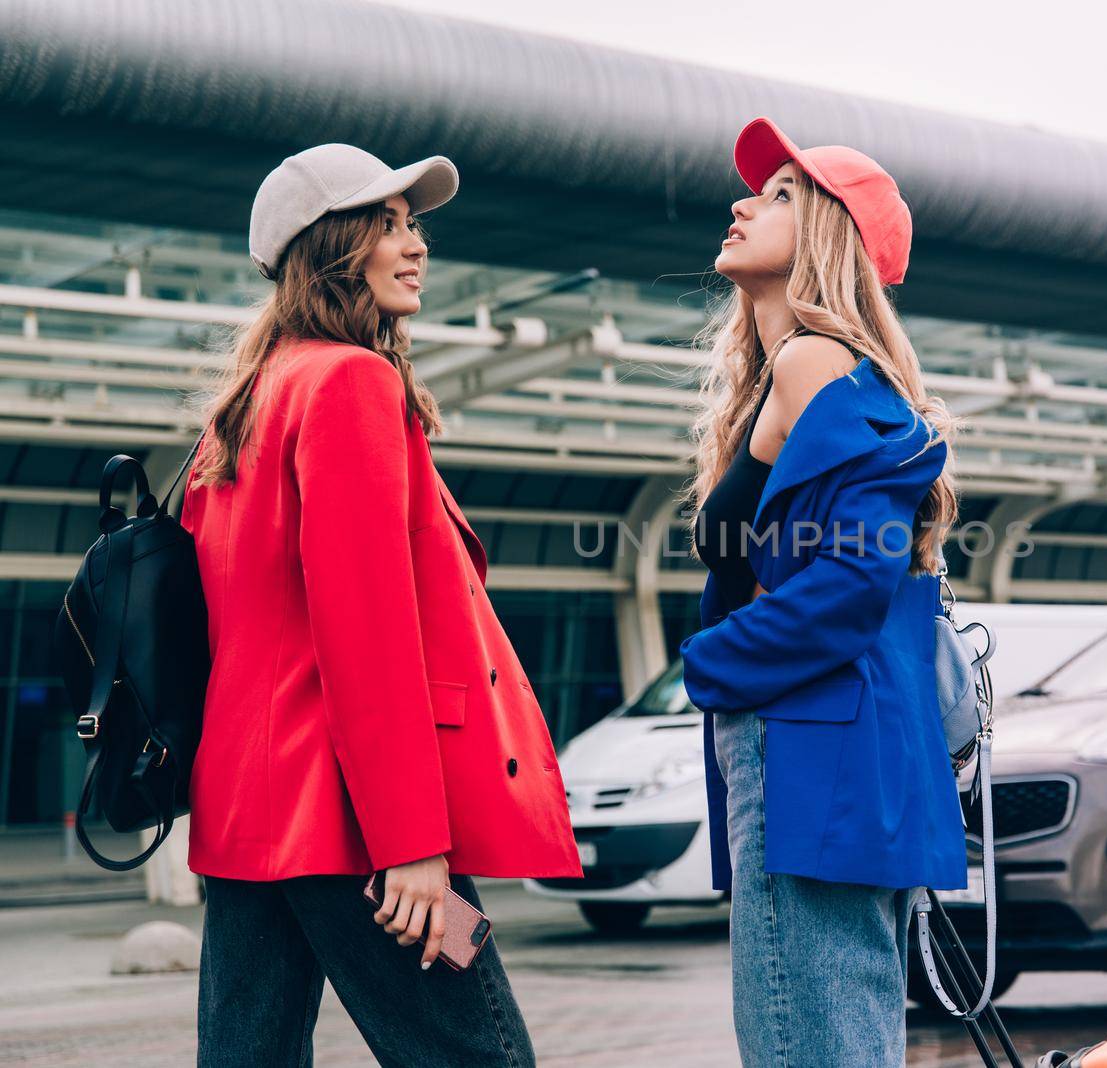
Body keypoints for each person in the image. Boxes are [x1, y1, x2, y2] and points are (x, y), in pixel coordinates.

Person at [180, 143, 580, 1067]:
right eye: (387, 224)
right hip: (354, 822)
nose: (415, 246)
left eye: (413, 224)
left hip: (248, 823)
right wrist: (410, 844)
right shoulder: (349, 383)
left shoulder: (243, 406)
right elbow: (366, 631)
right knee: (482, 1057)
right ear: (331, 245)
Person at [678, 116, 966, 1067]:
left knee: (806, 1042)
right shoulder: (791, 380)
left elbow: (849, 581)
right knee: (830, 1033)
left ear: (832, 237)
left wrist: (710, 667)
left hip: (810, 750)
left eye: (780, 196)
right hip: (834, 753)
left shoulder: (816, 362)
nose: (743, 203)